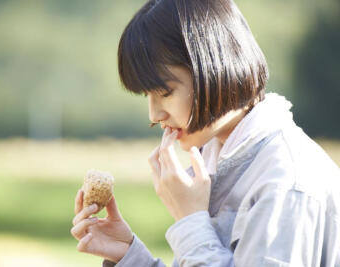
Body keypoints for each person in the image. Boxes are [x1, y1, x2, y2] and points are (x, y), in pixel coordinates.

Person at [71, 0, 340, 266]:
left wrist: (190, 223)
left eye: (165, 92)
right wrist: (128, 256)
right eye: (147, 95)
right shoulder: (218, 162)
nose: (154, 115)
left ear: (215, 68)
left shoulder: (285, 183)